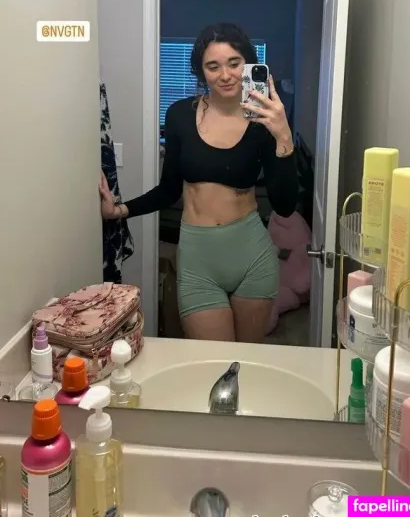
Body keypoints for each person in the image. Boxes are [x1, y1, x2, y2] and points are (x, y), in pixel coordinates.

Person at [100, 22, 299, 343]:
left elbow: (285, 206)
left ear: (248, 64)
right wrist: (119, 210)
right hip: (197, 259)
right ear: (201, 71)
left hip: (252, 255)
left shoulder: (264, 122)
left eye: (234, 63)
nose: (225, 75)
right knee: (210, 360)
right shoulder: (179, 115)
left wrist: (284, 135)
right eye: (213, 66)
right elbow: (169, 189)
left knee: (244, 360)